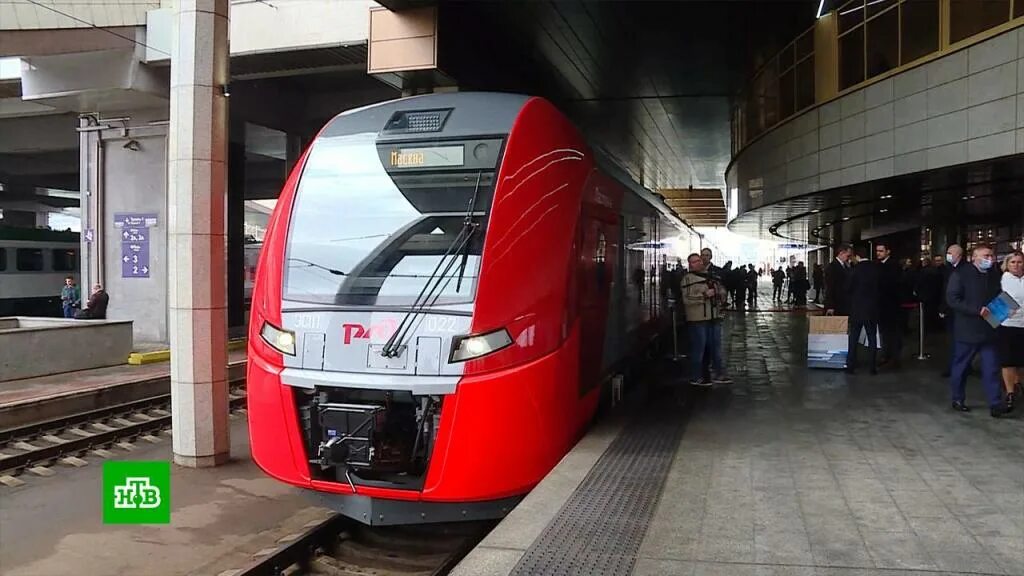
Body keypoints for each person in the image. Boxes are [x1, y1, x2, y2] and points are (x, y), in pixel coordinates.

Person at [946, 243, 1007, 417]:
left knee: (991, 367)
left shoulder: (994, 275)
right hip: (967, 330)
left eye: (991, 256)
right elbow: (952, 299)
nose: (990, 259)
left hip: (989, 329)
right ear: (974, 257)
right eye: (986, 256)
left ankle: (995, 403)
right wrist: (976, 310)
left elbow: (998, 296)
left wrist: (1005, 308)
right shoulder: (960, 274)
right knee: (961, 367)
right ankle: (958, 398)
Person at [682, 253, 731, 387]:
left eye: (698, 261)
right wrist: (704, 296)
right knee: (699, 349)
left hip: (713, 317)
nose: (697, 263)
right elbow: (686, 300)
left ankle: (719, 374)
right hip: (697, 319)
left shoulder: (712, 277)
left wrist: (721, 293)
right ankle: (696, 376)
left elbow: (722, 291)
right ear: (689, 264)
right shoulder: (687, 279)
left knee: (715, 348)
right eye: (693, 262)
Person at [846, 249, 880, 375]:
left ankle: (851, 365)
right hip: (872, 309)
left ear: (857, 256)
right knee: (872, 338)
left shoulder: (854, 270)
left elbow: (848, 288)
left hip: (857, 309)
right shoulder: (876, 269)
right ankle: (872, 366)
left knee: (854, 337)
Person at [998, 250, 1024, 412]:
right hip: (1007, 325)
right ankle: (1010, 392)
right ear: (1007, 264)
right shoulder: (1001, 279)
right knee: (1008, 361)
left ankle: (1019, 384)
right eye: (1012, 262)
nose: (1016, 265)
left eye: (1019, 261)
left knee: (1021, 362)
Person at [875, 242, 903, 369]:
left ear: (888, 251)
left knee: (893, 332)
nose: (878, 253)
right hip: (882, 306)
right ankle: (886, 355)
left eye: (881, 251)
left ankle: (893, 357)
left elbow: (895, 285)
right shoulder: (878, 265)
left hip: (892, 306)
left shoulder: (893, 265)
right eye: (877, 251)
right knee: (884, 333)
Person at [940, 244, 965, 377]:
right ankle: (954, 366)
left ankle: (959, 366)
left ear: (958, 255)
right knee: (952, 340)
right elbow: (944, 290)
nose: (948, 255)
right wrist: (942, 307)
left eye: (950, 253)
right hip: (950, 310)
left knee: (959, 340)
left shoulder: (964, 270)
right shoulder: (948, 269)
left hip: (961, 310)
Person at [824, 243, 853, 316]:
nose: (849, 258)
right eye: (848, 255)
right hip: (836, 305)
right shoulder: (832, 267)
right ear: (841, 253)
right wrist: (830, 306)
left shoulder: (845, 266)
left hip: (844, 304)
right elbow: (830, 287)